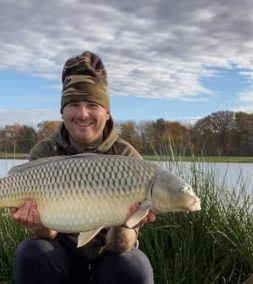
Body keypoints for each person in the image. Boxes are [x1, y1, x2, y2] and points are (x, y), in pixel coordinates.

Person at [11, 50, 155, 284]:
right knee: (33, 253)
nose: (83, 113)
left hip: (109, 257)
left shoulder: (128, 158)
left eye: (92, 104)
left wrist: (123, 223)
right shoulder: (44, 152)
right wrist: (38, 226)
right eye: (73, 104)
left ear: (106, 112)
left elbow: (123, 245)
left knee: (133, 266)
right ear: (62, 111)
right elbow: (47, 235)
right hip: (61, 255)